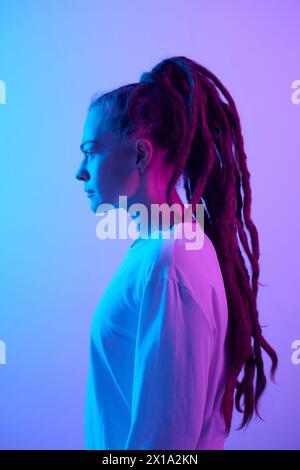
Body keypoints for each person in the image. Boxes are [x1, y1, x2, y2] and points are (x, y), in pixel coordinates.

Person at [75, 56, 278, 450]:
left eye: (90, 151)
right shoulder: (163, 251)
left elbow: (166, 449)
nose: (80, 171)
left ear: (139, 155)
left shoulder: (169, 261)